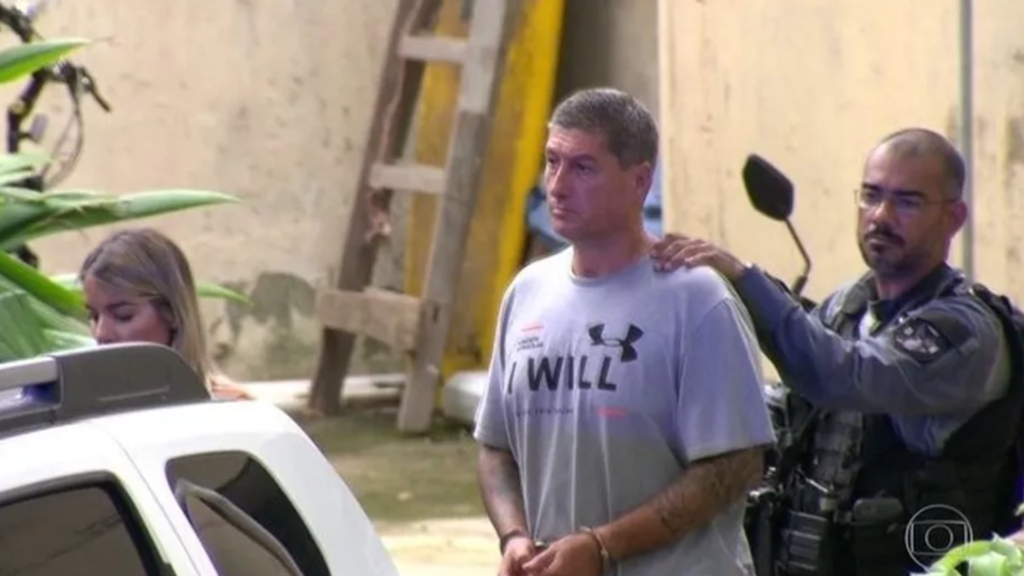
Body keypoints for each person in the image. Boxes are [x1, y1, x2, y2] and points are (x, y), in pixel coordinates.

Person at [650, 127, 1024, 575]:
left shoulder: (966, 331)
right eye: (871, 195)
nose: (880, 215)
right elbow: (788, 409)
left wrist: (743, 279)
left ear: (954, 217)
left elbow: (843, 375)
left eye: (907, 202)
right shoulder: (851, 305)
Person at [473, 87, 776, 576]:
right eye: (552, 162)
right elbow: (495, 446)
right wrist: (514, 536)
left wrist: (603, 546)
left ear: (639, 181)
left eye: (583, 168)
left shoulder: (697, 301)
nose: (557, 186)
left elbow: (735, 466)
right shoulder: (527, 292)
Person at [79, 227, 251, 400]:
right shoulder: (82, 405)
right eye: (94, 317)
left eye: (123, 315)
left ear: (172, 312)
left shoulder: (229, 407)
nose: (101, 334)